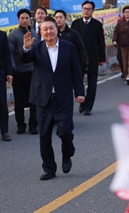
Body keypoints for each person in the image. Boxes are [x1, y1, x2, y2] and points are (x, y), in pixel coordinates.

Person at [20, 16, 85, 180]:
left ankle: (67, 153)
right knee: (44, 136)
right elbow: (24, 59)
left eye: (51, 28)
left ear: (57, 29)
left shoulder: (68, 48)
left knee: (65, 132)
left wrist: (80, 92)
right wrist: (26, 49)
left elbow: (76, 72)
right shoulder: (36, 48)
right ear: (40, 32)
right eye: (45, 29)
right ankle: (49, 168)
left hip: (62, 98)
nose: (49, 31)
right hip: (43, 98)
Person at [71, 0, 106, 116]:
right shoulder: (75, 24)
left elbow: (101, 42)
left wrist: (102, 58)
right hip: (78, 58)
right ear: (82, 10)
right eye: (84, 8)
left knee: (92, 84)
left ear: (92, 11)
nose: (86, 11)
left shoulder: (97, 24)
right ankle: (82, 102)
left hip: (92, 58)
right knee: (78, 83)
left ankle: (88, 107)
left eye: (89, 9)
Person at [8, 8, 39, 134]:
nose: (25, 20)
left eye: (27, 18)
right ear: (18, 19)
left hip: (34, 72)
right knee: (19, 101)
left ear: (30, 19)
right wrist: (14, 69)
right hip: (19, 73)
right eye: (22, 18)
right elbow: (9, 54)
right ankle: (21, 125)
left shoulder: (35, 34)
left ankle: (33, 125)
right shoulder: (13, 35)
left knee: (34, 101)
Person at [0, 30, 13, 141]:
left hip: (0, 74)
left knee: (2, 104)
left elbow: (7, 54)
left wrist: (9, 72)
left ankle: (4, 131)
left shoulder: (2, 35)